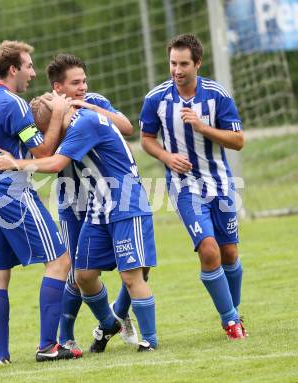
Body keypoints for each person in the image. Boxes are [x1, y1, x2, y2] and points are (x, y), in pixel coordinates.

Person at [0, 99, 158, 353]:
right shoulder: (77, 122)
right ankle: (108, 322)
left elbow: (55, 162)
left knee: (131, 275)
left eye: (49, 131)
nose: (48, 139)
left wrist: (16, 163)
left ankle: (150, 340)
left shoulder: (85, 123)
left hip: (125, 203)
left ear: (58, 121)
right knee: (83, 274)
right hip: (98, 206)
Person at [0, 40, 82, 364]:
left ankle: (1, 356)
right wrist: (59, 115)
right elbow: (44, 153)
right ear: (13, 69)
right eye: (29, 66)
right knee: (61, 260)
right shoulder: (14, 104)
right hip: (11, 189)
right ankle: (48, 346)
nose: (33, 73)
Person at [139, 34, 246, 340]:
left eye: (184, 63)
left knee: (229, 253)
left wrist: (202, 127)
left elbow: (238, 141)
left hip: (221, 183)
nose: (177, 69)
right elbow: (146, 139)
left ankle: (234, 312)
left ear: (197, 63)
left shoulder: (217, 95)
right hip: (185, 187)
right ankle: (230, 322)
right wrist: (166, 156)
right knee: (209, 250)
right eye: (173, 63)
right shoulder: (156, 99)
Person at [44, 53, 139, 351]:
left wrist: (89, 107)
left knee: (137, 265)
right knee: (76, 271)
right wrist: (59, 118)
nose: (83, 87)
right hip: (74, 202)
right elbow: (44, 151)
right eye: (75, 83)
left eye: (84, 80)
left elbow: (126, 127)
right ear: (58, 87)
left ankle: (119, 315)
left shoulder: (93, 100)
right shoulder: (45, 110)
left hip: (109, 197)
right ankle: (66, 335)